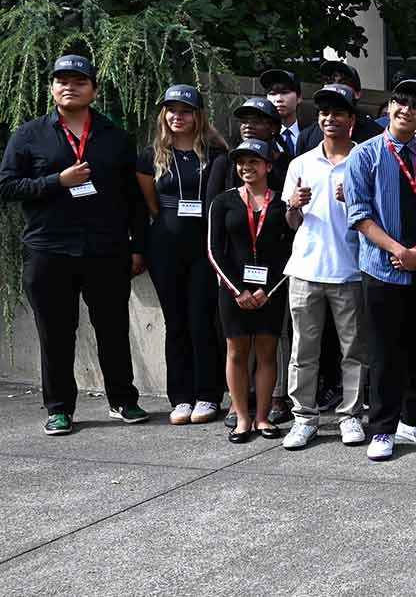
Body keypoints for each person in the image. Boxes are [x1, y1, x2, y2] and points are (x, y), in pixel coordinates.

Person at [0, 54, 150, 435]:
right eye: (62, 81)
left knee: (113, 329)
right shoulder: (29, 134)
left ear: (94, 91)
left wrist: (138, 247)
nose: (70, 87)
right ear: (51, 89)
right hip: (49, 249)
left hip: (107, 249)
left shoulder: (114, 137)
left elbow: (132, 198)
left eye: (79, 81)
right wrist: (56, 181)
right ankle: (59, 408)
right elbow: (7, 186)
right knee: (56, 333)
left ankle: (123, 400)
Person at [344, 78, 416, 462]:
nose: (406, 110)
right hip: (381, 268)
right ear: (389, 107)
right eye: (399, 103)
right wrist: (398, 250)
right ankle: (383, 428)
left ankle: (415, 418)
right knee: (385, 352)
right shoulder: (365, 154)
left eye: (415, 106)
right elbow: (359, 215)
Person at [280, 84, 370, 450]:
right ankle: (304, 417)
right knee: (303, 351)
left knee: (354, 351)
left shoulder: (365, 158)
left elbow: (377, 216)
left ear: (351, 119)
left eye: (338, 113)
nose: (330, 119)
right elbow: (290, 223)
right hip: (305, 270)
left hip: (350, 271)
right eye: (324, 113)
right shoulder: (300, 163)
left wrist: (353, 199)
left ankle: (350, 415)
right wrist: (294, 206)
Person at [136, 84, 228, 425]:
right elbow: (150, 203)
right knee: (175, 324)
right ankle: (181, 397)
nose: (178, 116)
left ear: (198, 116)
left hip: (204, 249)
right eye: (172, 110)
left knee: (202, 321)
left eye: (185, 110)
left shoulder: (217, 154)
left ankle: (208, 395)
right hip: (165, 249)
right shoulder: (151, 155)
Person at [207, 138, 293, 443]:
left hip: (271, 290)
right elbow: (214, 249)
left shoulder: (283, 203)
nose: (247, 168)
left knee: (268, 352)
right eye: (242, 162)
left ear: (268, 166)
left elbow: (291, 250)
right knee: (237, 352)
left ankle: (262, 417)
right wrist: (238, 290)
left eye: (254, 161)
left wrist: (268, 290)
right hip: (234, 291)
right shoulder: (223, 202)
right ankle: (242, 417)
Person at [294, 60, 384, 155]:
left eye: (343, 83)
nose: (335, 87)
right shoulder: (307, 137)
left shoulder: (376, 135)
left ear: (358, 94)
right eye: (330, 81)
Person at [260, 68, 304, 157]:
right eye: (272, 94)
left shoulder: (313, 134)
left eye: (285, 92)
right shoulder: (260, 136)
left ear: (299, 98)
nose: (279, 99)